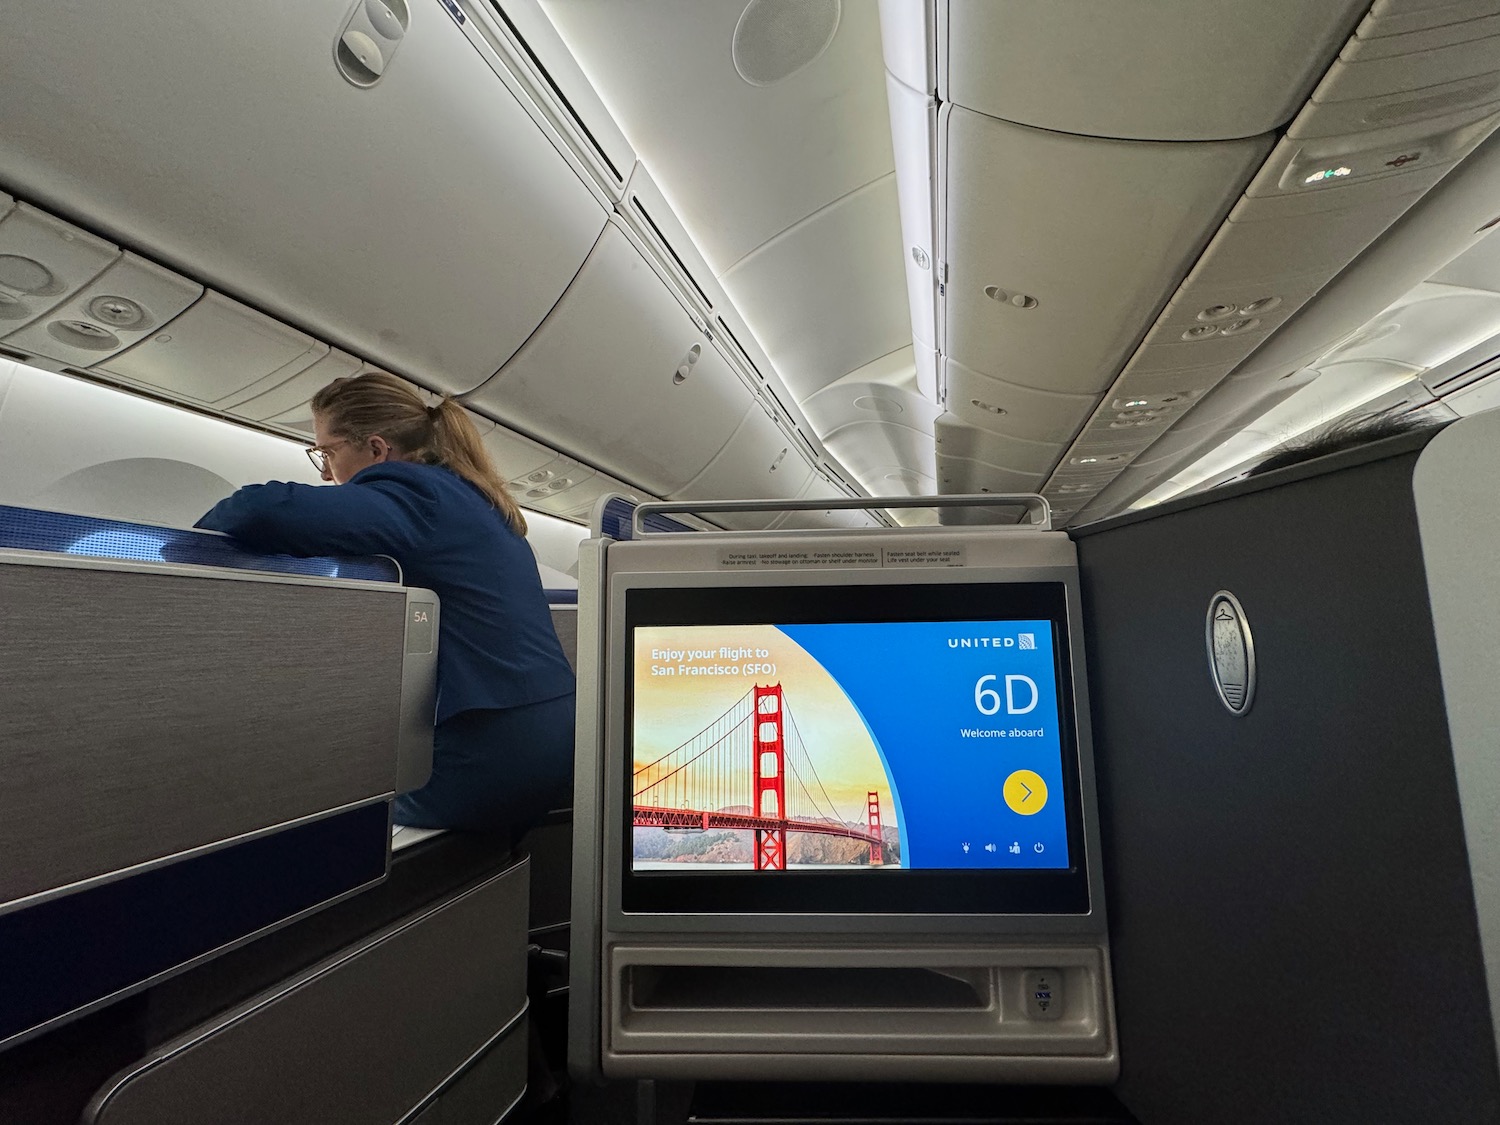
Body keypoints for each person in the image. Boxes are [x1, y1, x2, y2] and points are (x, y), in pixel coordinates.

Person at [196, 372, 575, 839]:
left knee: (304, 797)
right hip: (549, 738)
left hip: (494, 755)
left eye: (327, 452)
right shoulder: (473, 496)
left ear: (376, 450)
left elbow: (262, 510)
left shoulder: (415, 494)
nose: (324, 472)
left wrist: (192, 544)